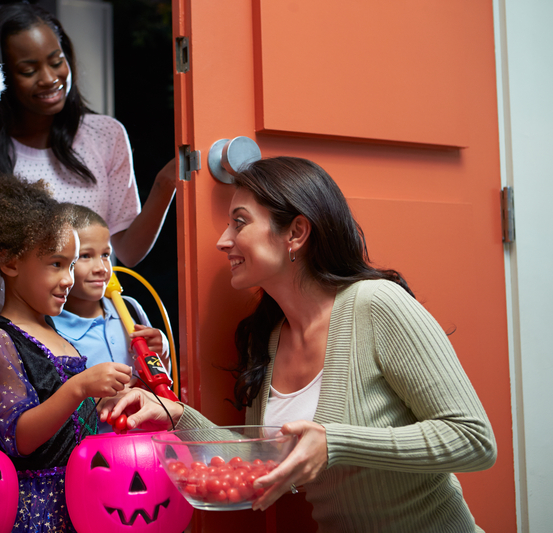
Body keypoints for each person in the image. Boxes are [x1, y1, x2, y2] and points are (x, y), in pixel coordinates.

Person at [99, 156, 497, 532]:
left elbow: (474, 439)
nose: (223, 240)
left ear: (296, 233)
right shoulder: (269, 339)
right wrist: (177, 415)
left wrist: (335, 443)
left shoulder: (376, 304)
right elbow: (261, 460)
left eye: (240, 223)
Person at [0, 173, 132, 532]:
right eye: (55, 264)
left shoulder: (55, 333)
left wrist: (106, 398)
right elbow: (19, 437)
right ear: (10, 263)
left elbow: (69, 416)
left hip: (84, 499)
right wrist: (79, 387)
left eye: (71, 264)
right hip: (41, 508)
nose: (68, 279)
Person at [0, 2, 176, 267]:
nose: (49, 78)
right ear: (0, 76)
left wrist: (164, 184)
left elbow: (128, 252)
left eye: (56, 62)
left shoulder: (105, 135)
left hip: (97, 295)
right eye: (29, 71)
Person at [51, 204, 169, 428]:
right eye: (85, 256)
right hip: (92, 446)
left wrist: (163, 355)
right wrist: (95, 399)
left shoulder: (130, 309)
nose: (101, 268)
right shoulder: (49, 328)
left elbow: (160, 386)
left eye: (105, 255)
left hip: (145, 440)